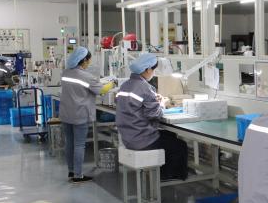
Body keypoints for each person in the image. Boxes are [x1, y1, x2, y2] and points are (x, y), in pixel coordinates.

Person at [115, 53, 188, 181]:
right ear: (148, 69)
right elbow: (155, 114)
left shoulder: (125, 85)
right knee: (180, 145)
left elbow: (131, 105)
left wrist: (154, 101)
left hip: (127, 137)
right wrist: (162, 103)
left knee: (170, 135)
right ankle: (167, 176)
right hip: (142, 140)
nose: (153, 73)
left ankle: (163, 171)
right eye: (153, 70)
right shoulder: (145, 87)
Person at [59, 47, 114, 183]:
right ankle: (78, 175)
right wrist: (113, 83)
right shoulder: (86, 76)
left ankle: (71, 171)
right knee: (79, 145)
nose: (89, 63)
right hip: (79, 114)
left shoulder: (65, 73)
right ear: (84, 60)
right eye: (89, 60)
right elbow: (101, 90)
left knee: (70, 143)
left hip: (66, 113)